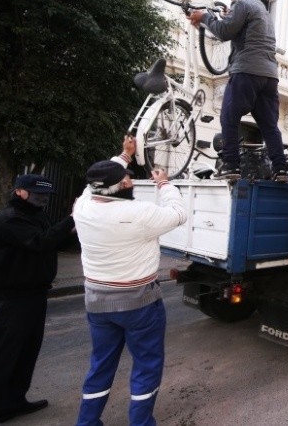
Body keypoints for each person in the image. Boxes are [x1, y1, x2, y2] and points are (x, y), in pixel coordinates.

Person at [73, 136, 187, 426]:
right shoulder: (139, 214)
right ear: (123, 186)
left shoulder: (82, 207)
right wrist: (163, 184)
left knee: (100, 366)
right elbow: (178, 213)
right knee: (147, 366)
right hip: (140, 305)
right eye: (127, 179)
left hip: (97, 303)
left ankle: (87, 422)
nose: (131, 182)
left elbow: (97, 181)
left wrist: (125, 156)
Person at [0, 174, 76, 425]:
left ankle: (14, 401)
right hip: (10, 300)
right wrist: (72, 219)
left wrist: (74, 228)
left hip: (34, 296)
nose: (42, 200)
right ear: (20, 192)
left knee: (26, 353)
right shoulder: (8, 220)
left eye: (46, 196)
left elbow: (55, 240)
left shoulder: (37, 215)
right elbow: (41, 242)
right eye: (37, 194)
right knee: (2, 358)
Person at [187, 0, 288, 181]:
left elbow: (224, 32)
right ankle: (281, 169)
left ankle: (231, 166)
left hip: (247, 71)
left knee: (229, 117)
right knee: (269, 126)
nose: (231, 3)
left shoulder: (242, 5)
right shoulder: (263, 12)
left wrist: (204, 17)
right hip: (269, 76)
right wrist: (229, 15)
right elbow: (241, 29)